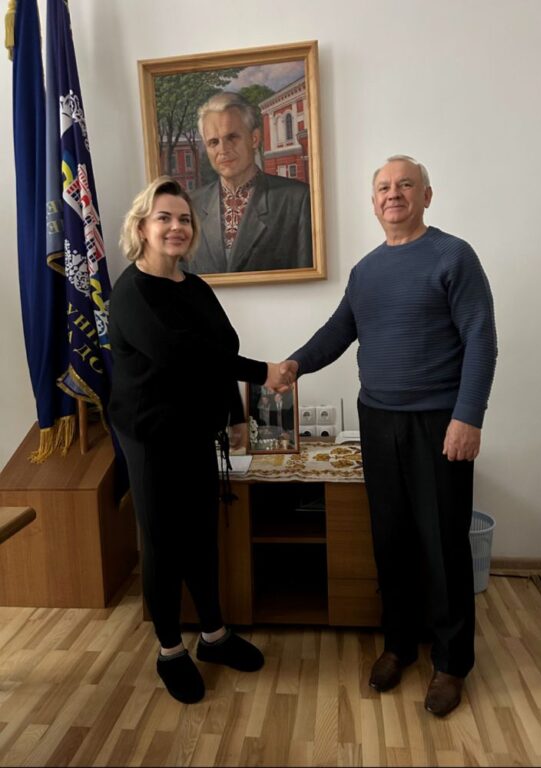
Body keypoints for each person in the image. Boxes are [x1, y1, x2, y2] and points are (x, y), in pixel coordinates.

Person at [278, 155, 497, 717]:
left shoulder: (453, 256)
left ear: (427, 195)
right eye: (383, 187)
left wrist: (468, 416)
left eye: (405, 185)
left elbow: (481, 339)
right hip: (377, 422)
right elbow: (338, 331)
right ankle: (399, 644)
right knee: (391, 539)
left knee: (444, 545)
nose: (393, 193)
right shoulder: (366, 271)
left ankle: (451, 662)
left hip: (439, 423)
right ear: (373, 201)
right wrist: (295, 364)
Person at [108, 176, 290, 704]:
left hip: (193, 432)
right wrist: (263, 372)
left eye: (184, 219)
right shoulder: (131, 293)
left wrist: (234, 414)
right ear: (142, 227)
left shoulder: (196, 287)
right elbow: (182, 355)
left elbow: (218, 353)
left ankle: (213, 636)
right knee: (163, 544)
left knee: (202, 537)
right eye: (164, 217)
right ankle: (170, 650)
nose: (176, 227)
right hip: (150, 437)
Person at [185, 91, 313, 275]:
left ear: (254, 139)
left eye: (232, 137)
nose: (223, 150)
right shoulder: (191, 205)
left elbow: (308, 279)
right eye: (213, 142)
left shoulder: (297, 199)